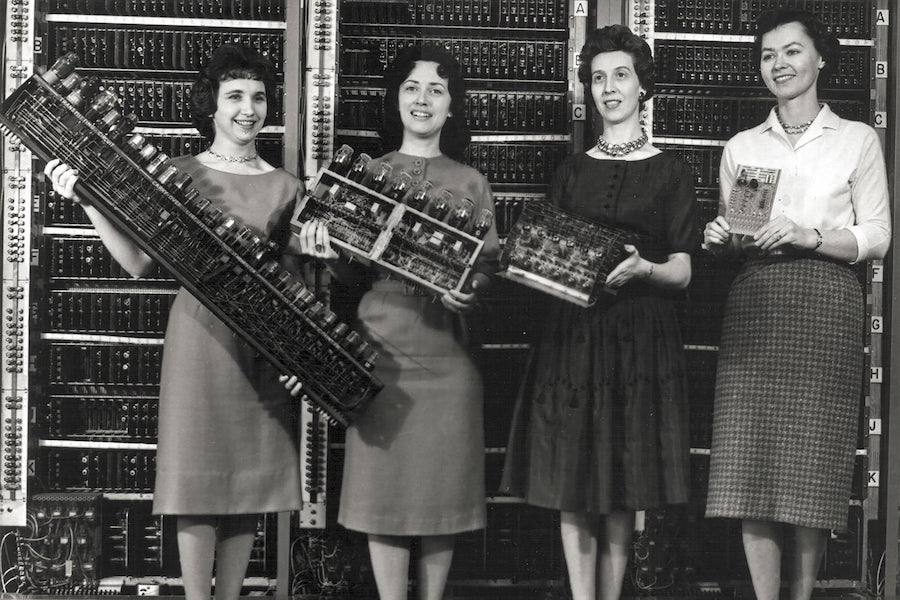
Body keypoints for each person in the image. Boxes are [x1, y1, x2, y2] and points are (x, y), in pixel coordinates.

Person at [44, 44, 303, 600]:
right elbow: (137, 263)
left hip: (261, 350)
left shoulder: (287, 188)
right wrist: (85, 199)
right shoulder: (178, 174)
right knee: (199, 480)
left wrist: (300, 361)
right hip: (198, 342)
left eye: (258, 97)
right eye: (234, 96)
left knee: (246, 486)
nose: (248, 109)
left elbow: (293, 290)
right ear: (211, 105)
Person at [288, 45, 499, 600]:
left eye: (436, 88)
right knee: (385, 501)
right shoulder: (366, 174)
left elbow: (486, 274)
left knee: (441, 502)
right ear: (395, 100)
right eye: (411, 87)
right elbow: (329, 263)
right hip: (379, 357)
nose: (423, 99)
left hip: (448, 364)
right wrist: (321, 253)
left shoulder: (473, 181)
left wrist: (469, 293)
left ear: (453, 105)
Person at [499, 25, 699, 600]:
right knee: (572, 478)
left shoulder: (672, 171)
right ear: (587, 90)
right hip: (574, 333)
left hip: (640, 335)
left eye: (621, 75)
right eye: (597, 78)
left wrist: (646, 271)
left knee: (621, 481)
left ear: (643, 87)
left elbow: (684, 269)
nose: (608, 88)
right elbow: (541, 261)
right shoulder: (569, 171)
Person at [702, 9, 890, 600]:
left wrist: (812, 236)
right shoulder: (744, 146)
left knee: (812, 466)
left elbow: (878, 234)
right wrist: (721, 239)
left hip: (827, 302)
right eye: (767, 55)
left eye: (791, 52)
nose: (778, 65)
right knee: (750, 464)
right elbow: (743, 229)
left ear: (820, 59)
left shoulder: (857, 139)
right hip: (757, 301)